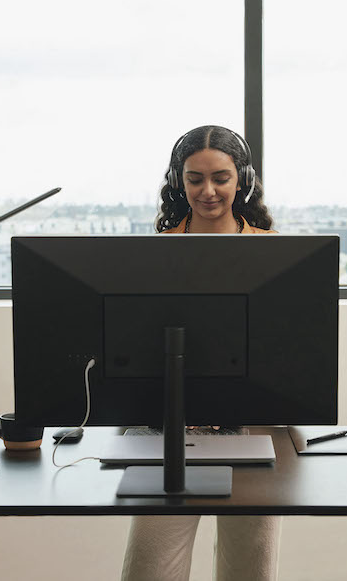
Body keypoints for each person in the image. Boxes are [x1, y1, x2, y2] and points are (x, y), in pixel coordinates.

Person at [120, 125, 280, 581]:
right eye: (194, 178)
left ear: (242, 180)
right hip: (169, 426)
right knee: (150, 569)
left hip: (255, 422)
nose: (207, 191)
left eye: (221, 178)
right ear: (177, 181)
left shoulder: (275, 253)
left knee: (250, 569)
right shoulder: (156, 253)